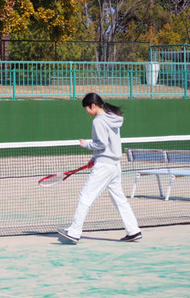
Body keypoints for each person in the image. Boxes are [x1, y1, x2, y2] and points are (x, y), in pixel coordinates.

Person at [58, 92, 141, 243]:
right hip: (115, 165)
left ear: (93, 105)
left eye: (87, 108)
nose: (87, 112)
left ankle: (74, 232)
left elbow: (101, 143)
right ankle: (133, 230)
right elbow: (108, 143)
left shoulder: (98, 121)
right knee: (119, 199)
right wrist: (94, 158)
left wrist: (86, 144)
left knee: (85, 197)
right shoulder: (112, 118)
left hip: (105, 166)